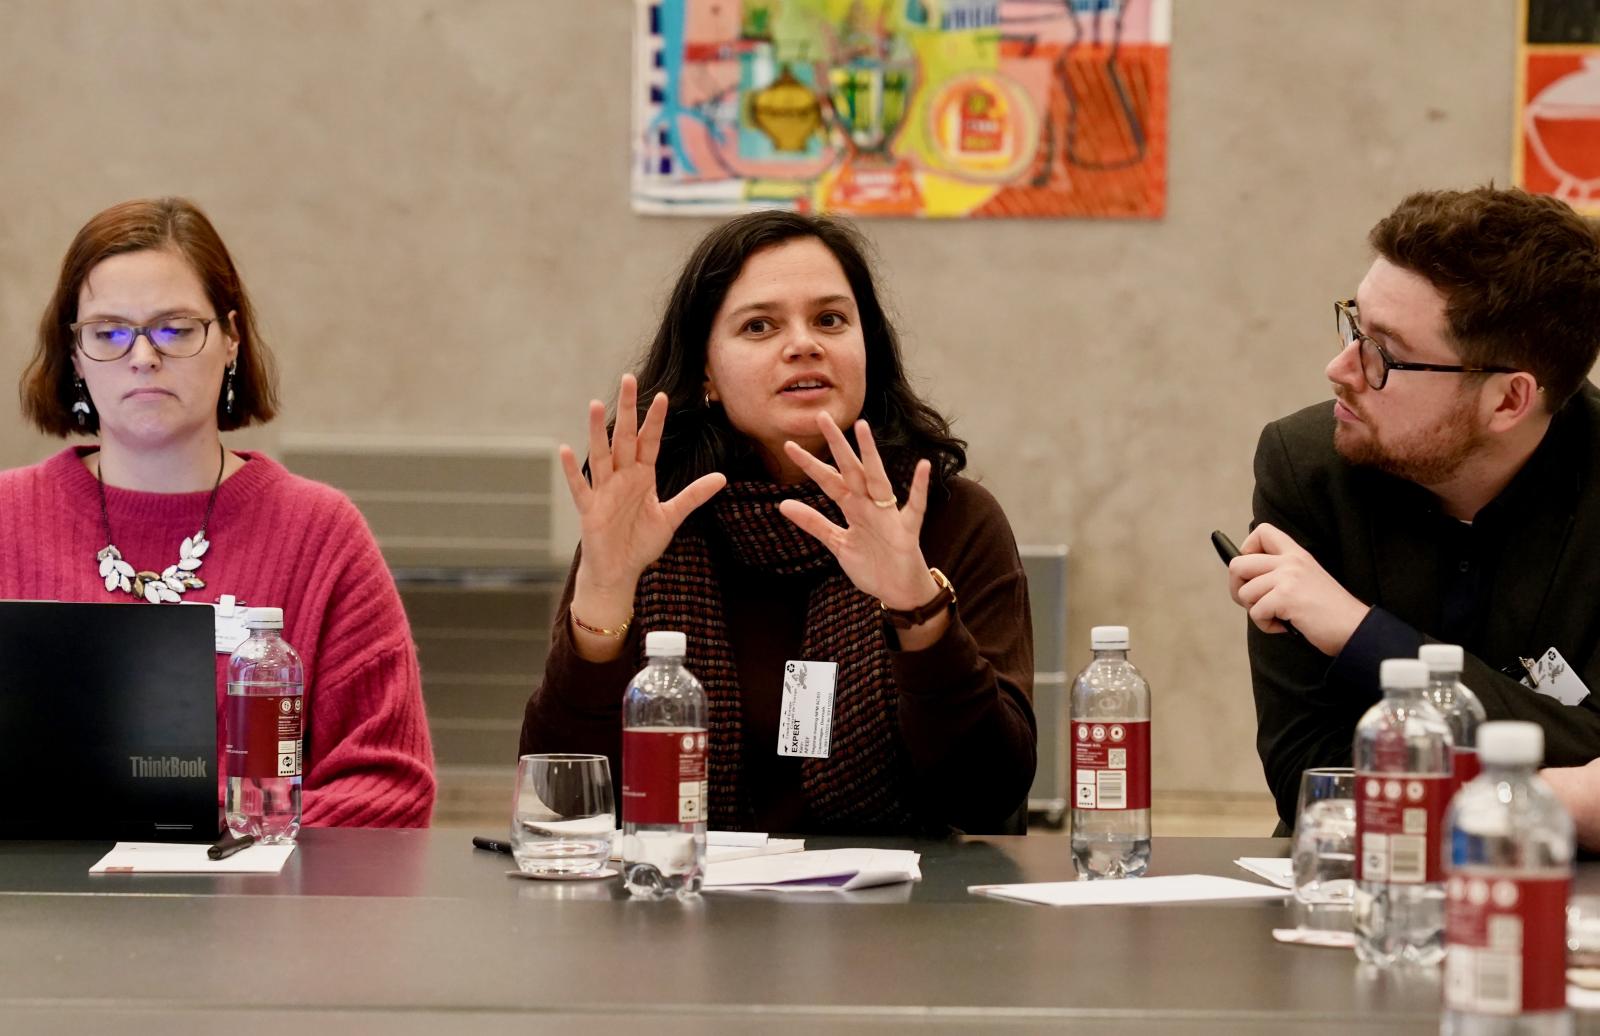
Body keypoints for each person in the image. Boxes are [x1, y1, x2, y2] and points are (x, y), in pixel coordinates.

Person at [521, 211, 1035, 835]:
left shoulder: (946, 516)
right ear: (706, 372)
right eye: (759, 326)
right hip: (682, 885)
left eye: (830, 320)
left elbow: (987, 798)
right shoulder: (651, 518)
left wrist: (917, 611)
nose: (803, 345)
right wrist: (604, 596)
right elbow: (563, 800)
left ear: (867, 348)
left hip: (903, 893)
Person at [3, 197, 434, 827]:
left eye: (175, 329)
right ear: (74, 355)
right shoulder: (8, 518)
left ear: (231, 340)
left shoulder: (320, 533)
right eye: (108, 332)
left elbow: (390, 787)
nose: (143, 356)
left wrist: (211, 840)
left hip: (250, 887)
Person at [1227, 186, 1600, 829]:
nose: (1340, 368)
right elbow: (1311, 782)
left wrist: (1362, 636)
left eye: (1385, 352)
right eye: (1355, 325)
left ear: (1509, 401)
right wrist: (1559, 793)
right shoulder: (1307, 467)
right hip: (1359, 879)